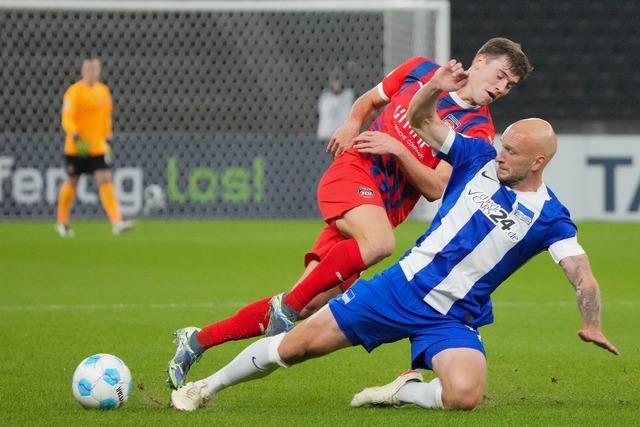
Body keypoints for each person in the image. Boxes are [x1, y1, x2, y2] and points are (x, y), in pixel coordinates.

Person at [170, 60, 618, 412]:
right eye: (502, 145)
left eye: (512, 153)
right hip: (401, 288)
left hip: (455, 316)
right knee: (299, 345)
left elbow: (581, 273)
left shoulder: (551, 217)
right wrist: (434, 87)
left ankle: (402, 391)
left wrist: (591, 321)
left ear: (537, 163)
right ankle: (204, 387)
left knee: (464, 396)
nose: (501, 155)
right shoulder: (476, 155)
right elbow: (421, 117)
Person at [55, 57, 134, 237]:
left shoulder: (103, 92)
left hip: (97, 146)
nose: (91, 72)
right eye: (88, 69)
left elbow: (106, 118)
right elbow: (67, 117)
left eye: (95, 69)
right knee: (72, 181)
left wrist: (108, 136)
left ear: (99, 71)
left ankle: (117, 221)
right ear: (83, 71)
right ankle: (62, 221)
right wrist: (74, 134)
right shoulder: (74, 92)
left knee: (105, 179)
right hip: (77, 146)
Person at [316, 68, 355, 139]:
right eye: (334, 80)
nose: (336, 83)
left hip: (343, 138)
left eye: (338, 79)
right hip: (325, 136)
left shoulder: (348, 95)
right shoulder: (325, 97)